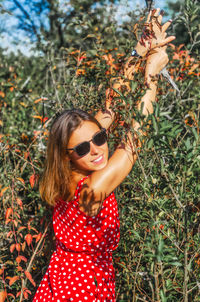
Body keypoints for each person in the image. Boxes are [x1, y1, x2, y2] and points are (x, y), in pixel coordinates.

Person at [33, 9, 175, 302]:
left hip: (62, 278)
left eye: (98, 137)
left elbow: (111, 104)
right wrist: (152, 77)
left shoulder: (65, 174)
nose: (96, 149)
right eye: (83, 148)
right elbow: (133, 144)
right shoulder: (93, 188)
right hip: (83, 286)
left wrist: (140, 49)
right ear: (66, 154)